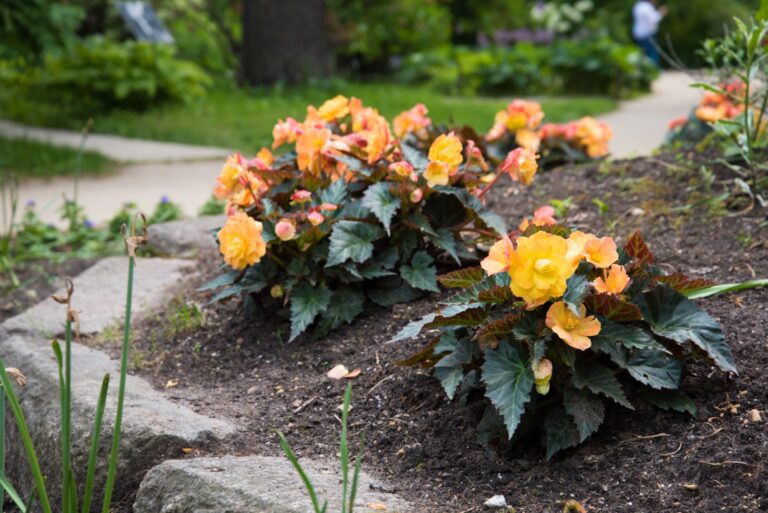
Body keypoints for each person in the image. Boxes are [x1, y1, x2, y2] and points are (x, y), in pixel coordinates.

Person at [632, 0, 667, 66]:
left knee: (642, 54)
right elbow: (653, 19)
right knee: (652, 53)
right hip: (648, 34)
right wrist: (661, 13)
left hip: (638, 34)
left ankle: (643, 71)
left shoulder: (637, 6)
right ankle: (653, 70)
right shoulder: (647, 7)